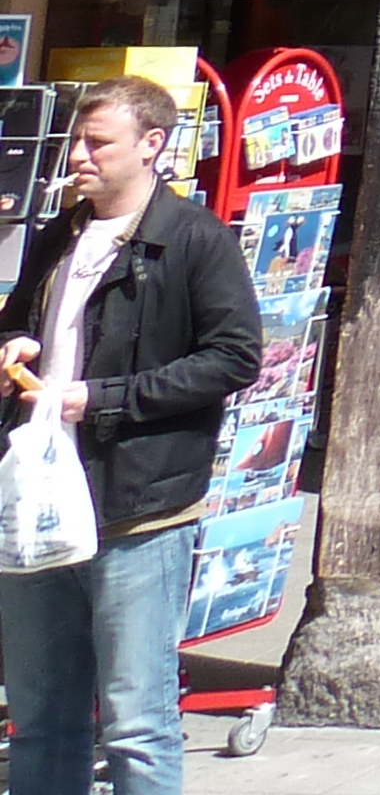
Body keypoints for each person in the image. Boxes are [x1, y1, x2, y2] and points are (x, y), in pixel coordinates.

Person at [0, 77, 265, 795]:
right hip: (48, 499)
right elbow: (19, 319)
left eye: (97, 143)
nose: (80, 157)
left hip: (141, 508)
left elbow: (235, 357)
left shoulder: (195, 240)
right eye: (77, 142)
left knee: (136, 723)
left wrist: (103, 399)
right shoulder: (63, 232)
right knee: (42, 713)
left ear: (152, 145)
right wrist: (17, 345)